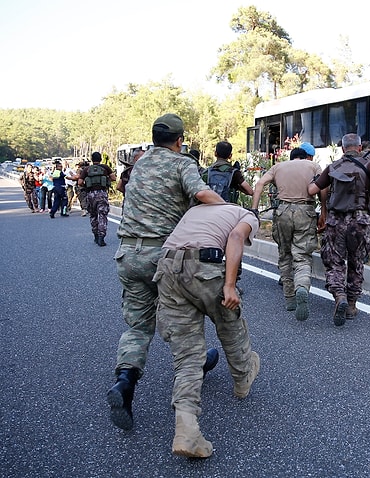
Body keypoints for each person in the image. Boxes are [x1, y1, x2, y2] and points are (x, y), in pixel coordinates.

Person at [108, 113, 225, 432]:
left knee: (138, 326)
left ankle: (124, 382)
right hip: (165, 255)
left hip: (128, 253)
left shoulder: (140, 163)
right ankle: (197, 364)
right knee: (187, 313)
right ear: (179, 140)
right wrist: (232, 213)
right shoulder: (182, 162)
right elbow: (201, 194)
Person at [154, 203, 260, 458]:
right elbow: (235, 237)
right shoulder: (246, 215)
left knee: (188, 356)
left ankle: (187, 431)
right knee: (229, 323)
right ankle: (242, 379)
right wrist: (230, 285)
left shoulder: (195, 210)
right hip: (204, 267)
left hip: (167, 269)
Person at [308, 133, 370, 326]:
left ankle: (339, 296)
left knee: (334, 261)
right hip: (360, 220)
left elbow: (312, 190)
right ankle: (352, 304)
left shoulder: (333, 166)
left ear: (343, 149)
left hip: (336, 220)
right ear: (360, 148)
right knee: (356, 261)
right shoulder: (368, 164)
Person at [252, 145, 323, 321]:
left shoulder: (278, 167)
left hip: (282, 211)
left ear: (291, 157)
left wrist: (254, 210)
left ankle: (290, 297)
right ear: (306, 157)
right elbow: (323, 188)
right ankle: (302, 287)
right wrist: (325, 211)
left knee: (284, 254)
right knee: (302, 255)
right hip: (305, 211)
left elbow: (260, 183)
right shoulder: (313, 166)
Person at [201, 141, 254, 292]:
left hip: (208, 214)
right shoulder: (233, 173)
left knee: (210, 245)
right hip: (229, 215)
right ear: (230, 155)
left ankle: (209, 280)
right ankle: (233, 282)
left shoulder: (206, 172)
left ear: (215, 153)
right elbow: (250, 191)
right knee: (233, 245)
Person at [78, 152, 116, 246]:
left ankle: (95, 235)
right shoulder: (105, 168)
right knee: (102, 214)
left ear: (92, 159)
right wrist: (106, 181)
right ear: (100, 159)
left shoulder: (87, 169)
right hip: (102, 193)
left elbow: (80, 182)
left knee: (93, 215)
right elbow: (114, 178)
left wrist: (87, 184)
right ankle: (101, 237)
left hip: (90, 194)